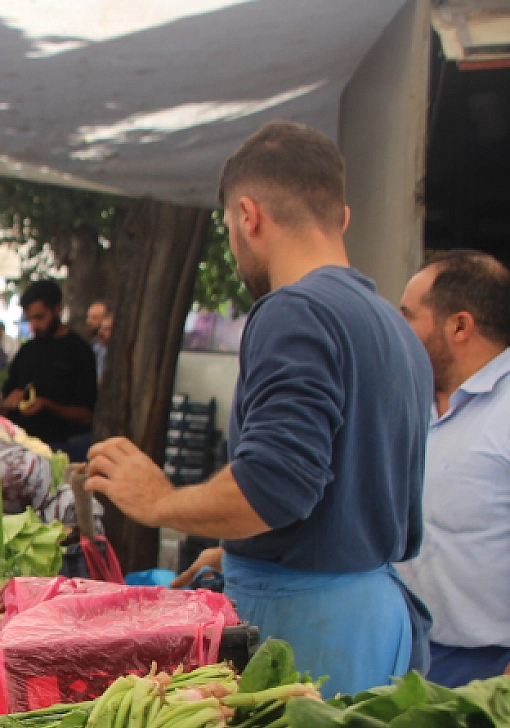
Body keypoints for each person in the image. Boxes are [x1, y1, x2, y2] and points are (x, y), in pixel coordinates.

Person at [92, 121, 431, 697]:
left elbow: (273, 489)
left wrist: (159, 501)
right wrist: (239, 548)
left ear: (248, 216)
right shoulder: (393, 327)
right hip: (371, 622)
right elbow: (342, 489)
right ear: (340, 218)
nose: (233, 240)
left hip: (311, 637)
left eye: (228, 228)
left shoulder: (293, 311)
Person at [395, 251, 510, 687]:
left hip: (487, 670)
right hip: (406, 654)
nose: (399, 332)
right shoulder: (410, 406)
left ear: (459, 326)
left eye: (409, 317)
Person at [1, 279, 98, 449]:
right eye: (30, 319)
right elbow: (5, 398)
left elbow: (86, 415)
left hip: (62, 447)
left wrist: (47, 405)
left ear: (57, 309)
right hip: (19, 446)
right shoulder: (26, 351)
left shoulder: (79, 351)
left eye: (39, 317)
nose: (34, 325)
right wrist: (9, 401)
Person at [83, 300, 111, 380]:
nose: (89, 321)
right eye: (88, 317)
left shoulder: (107, 347)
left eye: (94, 317)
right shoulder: (94, 345)